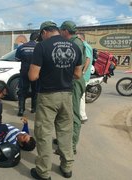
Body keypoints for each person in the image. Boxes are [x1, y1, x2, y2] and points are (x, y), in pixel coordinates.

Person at [28, 21, 82, 179]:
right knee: (65, 132)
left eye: (41, 35)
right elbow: (78, 75)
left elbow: (33, 76)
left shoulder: (42, 46)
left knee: (43, 134)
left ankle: (43, 172)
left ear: (45, 32)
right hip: (67, 95)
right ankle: (67, 167)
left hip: (48, 96)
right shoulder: (75, 47)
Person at [60, 21, 86, 154]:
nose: (59, 33)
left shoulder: (74, 43)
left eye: (61, 30)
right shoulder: (76, 41)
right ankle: (65, 140)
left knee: (74, 115)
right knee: (67, 113)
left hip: (75, 81)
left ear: (65, 31)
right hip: (74, 80)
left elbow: (75, 66)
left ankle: (71, 146)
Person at [15, 32, 39, 116]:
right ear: (37, 39)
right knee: (35, 90)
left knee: (22, 90)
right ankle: (34, 108)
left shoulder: (22, 47)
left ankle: (21, 109)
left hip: (24, 71)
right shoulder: (39, 47)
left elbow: (17, 59)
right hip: (36, 72)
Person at [77, 32, 93, 123]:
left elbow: (87, 59)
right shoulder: (87, 45)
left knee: (80, 96)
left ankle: (82, 116)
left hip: (83, 76)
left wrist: (82, 72)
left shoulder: (84, 46)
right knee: (81, 96)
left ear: (81, 38)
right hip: (84, 75)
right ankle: (81, 115)